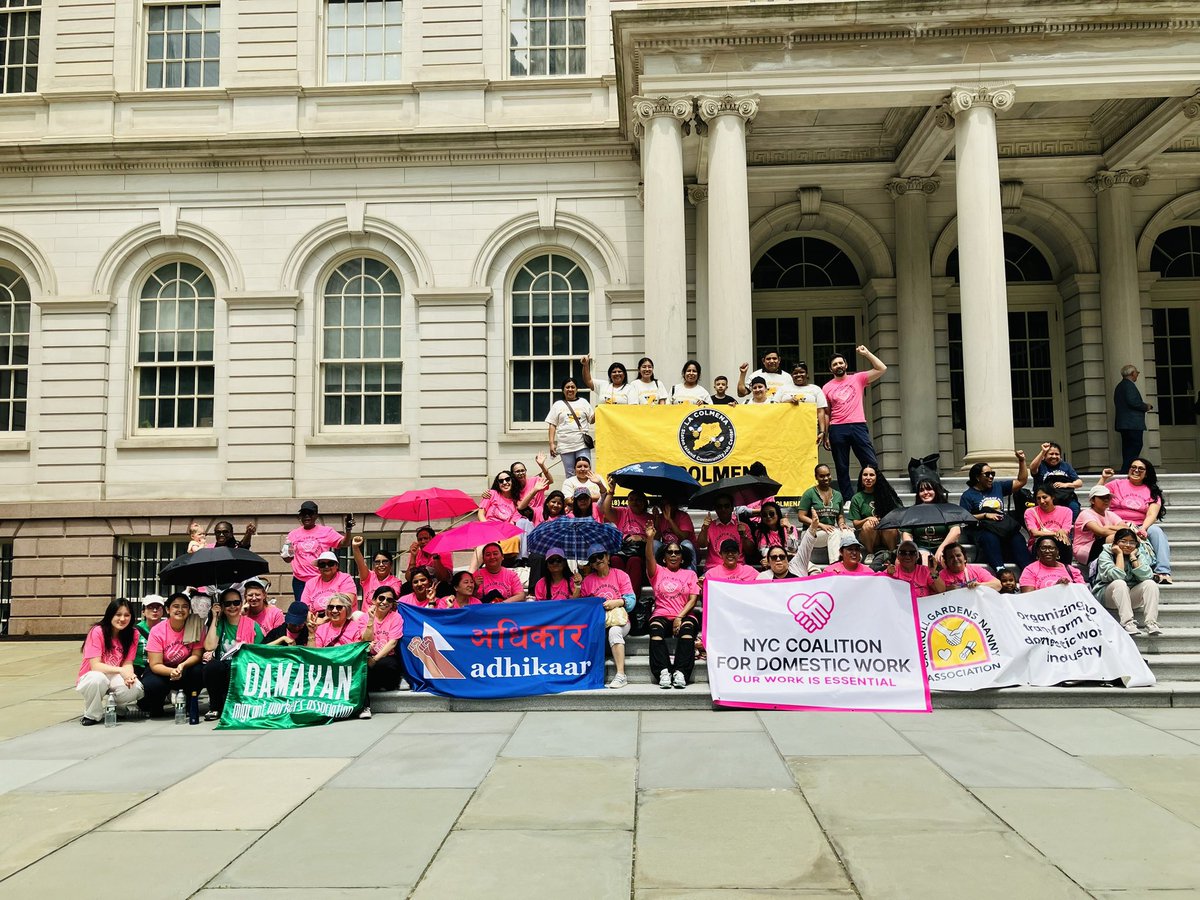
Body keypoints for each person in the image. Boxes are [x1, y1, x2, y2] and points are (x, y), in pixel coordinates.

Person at [822, 346, 887, 500]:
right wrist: (826, 434)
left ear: (846, 365)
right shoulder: (826, 387)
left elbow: (882, 368)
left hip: (858, 425)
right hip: (837, 428)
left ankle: (871, 494)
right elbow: (826, 412)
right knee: (842, 466)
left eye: (840, 363)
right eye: (835, 364)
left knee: (870, 462)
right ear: (831, 369)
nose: (838, 366)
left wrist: (867, 353)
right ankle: (848, 499)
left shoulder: (858, 378)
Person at [643, 524, 700, 689]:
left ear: (682, 558)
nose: (673, 555)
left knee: (688, 629)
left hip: (684, 615)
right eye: (670, 552)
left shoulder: (690, 574)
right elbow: (649, 558)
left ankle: (681, 672)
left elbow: (693, 599)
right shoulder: (657, 572)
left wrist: (679, 617)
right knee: (655, 628)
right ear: (664, 557)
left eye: (677, 552)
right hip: (661, 615)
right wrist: (650, 538)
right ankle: (663, 671)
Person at [1100, 459, 1172, 584]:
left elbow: (1151, 514)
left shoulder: (1152, 492)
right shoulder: (1116, 484)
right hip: (1118, 524)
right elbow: (1096, 495)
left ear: (1147, 473)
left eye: (1141, 469)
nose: (1136, 470)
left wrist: (1143, 528)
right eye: (1133, 467)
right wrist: (1103, 479)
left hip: (1140, 525)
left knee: (1157, 531)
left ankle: (1163, 572)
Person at [959, 454, 1032, 572]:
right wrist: (985, 515)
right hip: (982, 529)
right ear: (977, 477)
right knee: (990, 538)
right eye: (987, 474)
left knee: (1017, 538)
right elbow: (963, 518)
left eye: (992, 474)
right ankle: (1000, 570)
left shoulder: (998, 487)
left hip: (1001, 527)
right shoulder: (968, 495)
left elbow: (1021, 481)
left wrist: (1022, 460)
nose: (991, 477)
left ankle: (1028, 571)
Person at [77, 599, 144, 726]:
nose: (122, 619)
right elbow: (95, 666)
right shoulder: (97, 631)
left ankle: (118, 707)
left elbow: (128, 663)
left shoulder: (133, 633)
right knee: (97, 679)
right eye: (118, 614)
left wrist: (129, 676)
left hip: (115, 675)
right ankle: (91, 714)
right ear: (110, 615)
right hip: (93, 674)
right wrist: (121, 671)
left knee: (135, 687)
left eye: (127, 615)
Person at [201, 587, 265, 721]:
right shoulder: (220, 624)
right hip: (223, 668)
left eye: (236, 603)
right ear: (222, 606)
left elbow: (260, 651)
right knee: (211, 667)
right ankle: (215, 707)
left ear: (241, 604)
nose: (232, 607)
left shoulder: (252, 625)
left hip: (244, 668)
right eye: (227, 603)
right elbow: (209, 646)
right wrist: (215, 618)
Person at [139, 592, 204, 718]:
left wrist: (182, 666)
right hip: (162, 670)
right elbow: (155, 664)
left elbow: (197, 655)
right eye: (176, 606)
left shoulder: (195, 626)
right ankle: (156, 705)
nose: (180, 610)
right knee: (152, 684)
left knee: (199, 670)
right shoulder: (157, 630)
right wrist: (172, 671)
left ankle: (190, 704)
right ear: (168, 610)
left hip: (185, 669)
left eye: (185, 606)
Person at [580, 544, 636, 690]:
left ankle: (621, 674)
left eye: (600, 556)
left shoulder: (621, 575)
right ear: (591, 564)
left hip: (619, 620)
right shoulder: (587, 581)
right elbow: (584, 607)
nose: (598, 560)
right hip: (598, 622)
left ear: (608, 557)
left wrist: (615, 602)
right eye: (593, 559)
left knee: (614, 631)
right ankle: (590, 674)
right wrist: (578, 586)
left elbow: (631, 601)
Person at [1093, 528, 1162, 635]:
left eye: (1132, 542)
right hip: (1108, 596)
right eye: (1123, 541)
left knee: (1150, 584)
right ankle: (1127, 623)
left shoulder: (1138, 554)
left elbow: (1147, 576)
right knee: (1120, 583)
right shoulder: (1106, 554)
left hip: (1130, 596)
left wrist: (1133, 558)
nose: (1128, 545)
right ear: (1115, 542)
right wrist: (1119, 554)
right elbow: (1116, 576)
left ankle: (1151, 623)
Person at [282, 501, 345, 603]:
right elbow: (288, 559)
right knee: (302, 608)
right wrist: (285, 554)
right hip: (300, 581)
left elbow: (344, 543)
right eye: (304, 514)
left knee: (321, 605)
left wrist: (348, 530)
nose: (307, 516)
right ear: (300, 516)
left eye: (310, 513)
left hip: (320, 578)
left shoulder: (326, 531)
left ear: (316, 515)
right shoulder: (293, 534)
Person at [797, 464, 854, 567]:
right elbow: (801, 516)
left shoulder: (838, 495)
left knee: (848, 532)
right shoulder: (809, 493)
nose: (826, 478)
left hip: (829, 532)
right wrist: (821, 525)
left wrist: (842, 524)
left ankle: (852, 563)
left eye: (828, 475)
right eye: (822, 476)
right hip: (811, 533)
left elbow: (840, 516)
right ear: (816, 477)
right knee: (834, 533)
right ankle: (835, 567)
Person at [602, 480, 650, 595]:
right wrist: (611, 491)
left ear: (644, 502)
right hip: (622, 549)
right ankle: (617, 594)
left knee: (634, 561)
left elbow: (655, 539)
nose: (634, 502)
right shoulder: (623, 512)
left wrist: (641, 538)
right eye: (631, 499)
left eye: (638, 500)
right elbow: (606, 510)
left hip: (639, 552)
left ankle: (631, 597)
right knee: (615, 560)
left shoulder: (650, 517)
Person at [848, 466, 902, 565]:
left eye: (871, 475)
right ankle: (870, 553)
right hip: (869, 535)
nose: (868, 478)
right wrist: (867, 519)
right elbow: (855, 524)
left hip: (888, 534)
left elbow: (899, 515)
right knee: (869, 524)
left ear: (877, 477)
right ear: (861, 478)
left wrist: (884, 520)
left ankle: (893, 554)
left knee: (889, 525)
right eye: (865, 475)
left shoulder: (887, 495)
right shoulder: (857, 498)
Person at [479, 469, 536, 558]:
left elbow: (511, 524)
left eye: (507, 479)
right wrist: (489, 528)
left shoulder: (516, 502)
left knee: (515, 539)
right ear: (498, 484)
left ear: (512, 481)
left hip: (503, 534)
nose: (505, 482)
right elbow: (481, 514)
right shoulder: (491, 494)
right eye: (501, 481)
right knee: (483, 547)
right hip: (488, 529)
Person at [903, 478, 960, 567]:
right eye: (922, 490)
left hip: (945, 546)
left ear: (936, 491)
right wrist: (913, 550)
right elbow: (907, 534)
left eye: (929, 489)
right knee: (925, 560)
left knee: (945, 559)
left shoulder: (947, 510)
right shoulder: (913, 512)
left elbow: (956, 531)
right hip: (922, 548)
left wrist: (941, 548)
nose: (925, 492)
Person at [545, 376, 594, 473]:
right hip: (565, 446)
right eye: (567, 387)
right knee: (570, 473)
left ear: (577, 389)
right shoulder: (557, 405)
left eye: (572, 387)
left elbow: (591, 420)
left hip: (582, 444)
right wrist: (551, 443)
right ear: (563, 390)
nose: (570, 389)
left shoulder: (583, 402)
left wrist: (599, 410)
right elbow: (552, 424)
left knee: (585, 472)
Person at [364, 586, 405, 692]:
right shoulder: (364, 617)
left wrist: (374, 660)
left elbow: (392, 643)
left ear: (392, 604)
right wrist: (371, 620)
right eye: (381, 598)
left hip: (387, 656)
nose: (385, 602)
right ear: (374, 600)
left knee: (385, 666)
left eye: (389, 600)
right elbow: (365, 640)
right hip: (368, 655)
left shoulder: (396, 617)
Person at [1073, 484, 1126, 566]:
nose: (1106, 500)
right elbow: (1101, 532)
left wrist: (1109, 527)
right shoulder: (1085, 514)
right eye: (1102, 497)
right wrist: (1122, 534)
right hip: (1084, 550)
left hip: (1103, 546)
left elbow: (1125, 527)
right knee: (1114, 538)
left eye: (1108, 498)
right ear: (1092, 501)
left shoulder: (1110, 514)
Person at [1029, 441, 1083, 519]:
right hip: (1046, 500)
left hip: (1066, 497)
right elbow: (1032, 468)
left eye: (1057, 454)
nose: (1054, 456)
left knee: (1074, 508)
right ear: (1044, 456)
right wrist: (1043, 451)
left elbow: (1079, 483)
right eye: (1051, 454)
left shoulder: (1066, 466)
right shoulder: (1040, 465)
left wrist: (1065, 485)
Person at [1114, 364, 1153, 472]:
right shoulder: (1129, 385)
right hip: (1132, 424)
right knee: (1134, 448)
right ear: (1132, 374)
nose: (1137, 374)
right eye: (1137, 372)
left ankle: (1125, 471)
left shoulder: (1120, 386)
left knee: (1127, 449)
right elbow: (1133, 402)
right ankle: (1126, 471)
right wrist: (1146, 406)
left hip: (1124, 424)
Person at [776, 363, 829, 442]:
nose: (798, 375)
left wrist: (822, 431)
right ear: (791, 375)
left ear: (807, 374)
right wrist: (787, 402)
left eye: (802, 372)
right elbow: (774, 407)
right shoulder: (783, 389)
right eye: (795, 373)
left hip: (809, 430)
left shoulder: (815, 389)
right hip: (786, 430)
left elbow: (820, 412)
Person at [699, 494, 753, 570]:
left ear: (732, 508)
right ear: (715, 509)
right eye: (719, 506)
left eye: (726, 506)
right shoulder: (709, 526)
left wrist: (744, 536)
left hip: (737, 568)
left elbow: (750, 551)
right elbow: (702, 545)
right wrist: (704, 529)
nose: (723, 509)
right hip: (714, 568)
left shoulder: (743, 526)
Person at [1023, 486, 1073, 562]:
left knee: (1065, 542)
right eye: (1038, 498)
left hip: (1059, 543)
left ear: (1053, 497)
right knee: (1045, 542)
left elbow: (1065, 532)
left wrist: (1061, 532)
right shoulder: (1030, 512)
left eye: (1044, 497)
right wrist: (1055, 533)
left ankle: (1065, 567)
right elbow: (1035, 533)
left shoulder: (1066, 511)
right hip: (1038, 543)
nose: (1042, 501)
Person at [1019, 536, 1085, 591]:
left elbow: (1082, 593)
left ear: (1057, 552)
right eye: (1043, 548)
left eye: (1051, 548)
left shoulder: (1071, 570)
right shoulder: (1030, 570)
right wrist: (1055, 588)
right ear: (1038, 552)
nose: (1047, 551)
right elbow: (1028, 597)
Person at [352, 537, 404, 602]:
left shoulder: (395, 582)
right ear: (373, 565)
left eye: (385, 561)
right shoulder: (369, 577)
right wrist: (355, 548)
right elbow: (361, 564)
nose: (381, 565)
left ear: (391, 564)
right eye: (377, 562)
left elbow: (391, 600)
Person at [652, 499, 698, 570]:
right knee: (654, 543)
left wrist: (670, 520)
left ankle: (691, 573)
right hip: (668, 549)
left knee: (687, 543)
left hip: (683, 550)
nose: (665, 508)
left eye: (668, 506)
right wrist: (657, 519)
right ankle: (658, 573)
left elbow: (683, 537)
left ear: (674, 506)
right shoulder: (661, 517)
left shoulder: (683, 516)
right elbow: (656, 538)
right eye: (663, 506)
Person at [937, 544, 1001, 590]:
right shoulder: (941, 576)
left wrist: (979, 585)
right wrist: (947, 589)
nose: (955, 559)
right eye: (951, 557)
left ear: (965, 558)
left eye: (958, 555)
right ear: (946, 562)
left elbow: (998, 585)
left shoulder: (976, 570)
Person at [133, 594, 166, 678]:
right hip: (137, 669)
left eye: (158, 607)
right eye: (150, 607)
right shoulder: (135, 631)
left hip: (160, 669)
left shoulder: (167, 629)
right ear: (143, 611)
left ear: (163, 611)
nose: (155, 610)